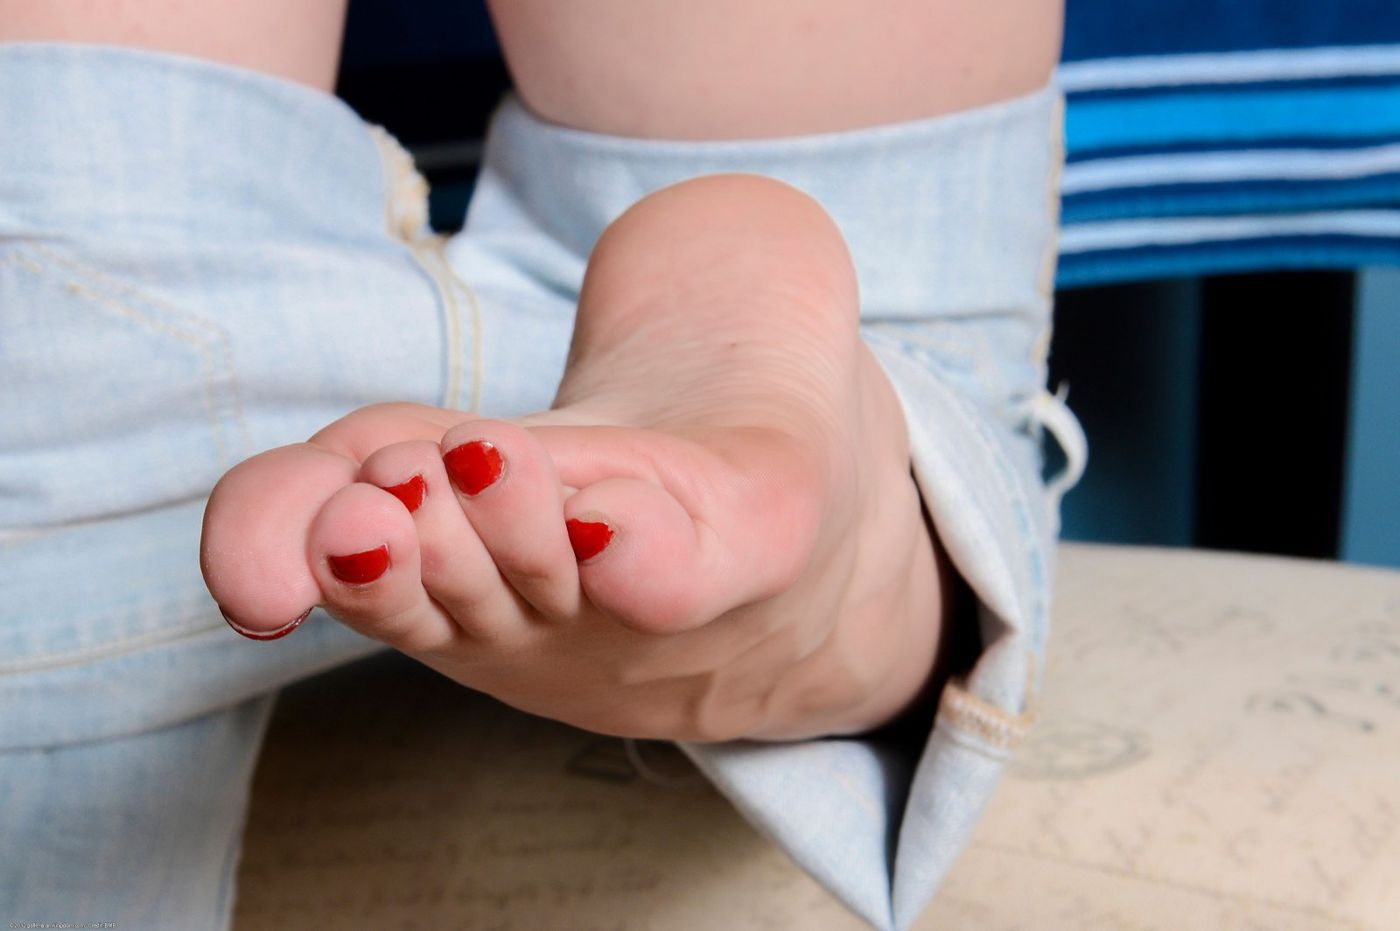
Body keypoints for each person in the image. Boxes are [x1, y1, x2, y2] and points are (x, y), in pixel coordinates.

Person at [0, 2, 1082, 929]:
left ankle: (845, 551)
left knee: (54, 410)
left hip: (82, 345)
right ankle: (859, 559)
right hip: (782, 166)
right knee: (881, 295)